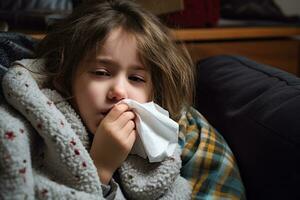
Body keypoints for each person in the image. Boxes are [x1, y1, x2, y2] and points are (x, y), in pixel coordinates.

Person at [0, 0, 246, 199]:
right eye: (101, 73)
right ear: (64, 79)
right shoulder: (37, 122)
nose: (119, 91)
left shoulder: (174, 136)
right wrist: (101, 168)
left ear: (153, 93)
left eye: (136, 78)